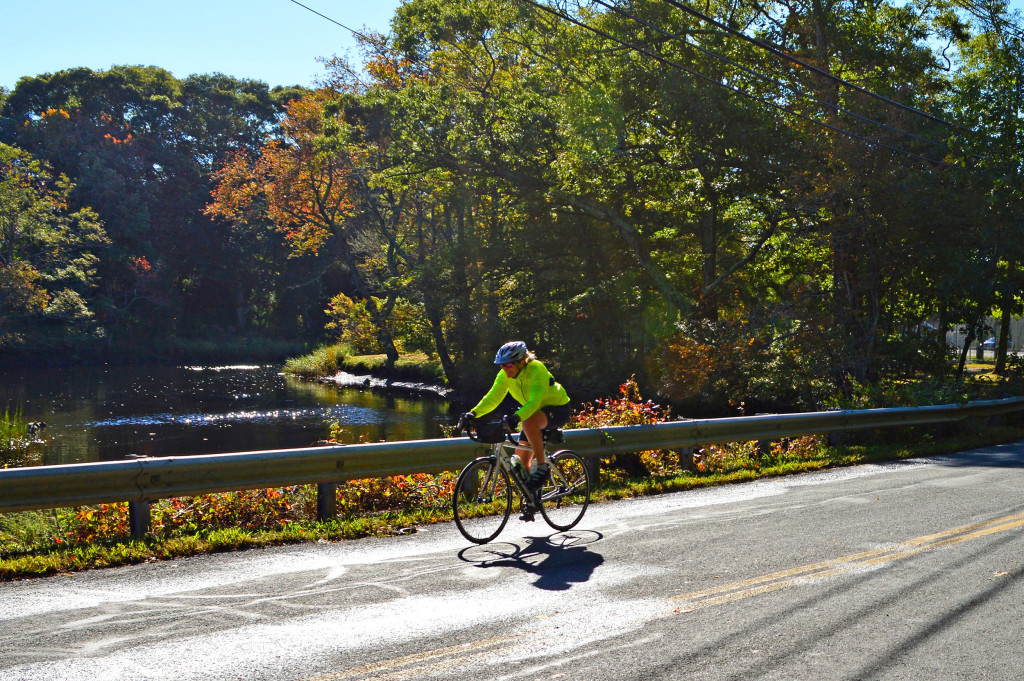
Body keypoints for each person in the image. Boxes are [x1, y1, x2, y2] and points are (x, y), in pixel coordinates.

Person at [463, 341, 571, 517]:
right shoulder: (505, 375)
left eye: (509, 364)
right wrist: (473, 413)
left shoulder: (537, 371)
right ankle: (532, 499)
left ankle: (543, 468)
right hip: (532, 412)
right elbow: (492, 398)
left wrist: (516, 417)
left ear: (522, 361)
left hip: (557, 408)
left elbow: (534, 402)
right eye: (502, 365)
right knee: (519, 464)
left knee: (528, 423)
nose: (505, 368)